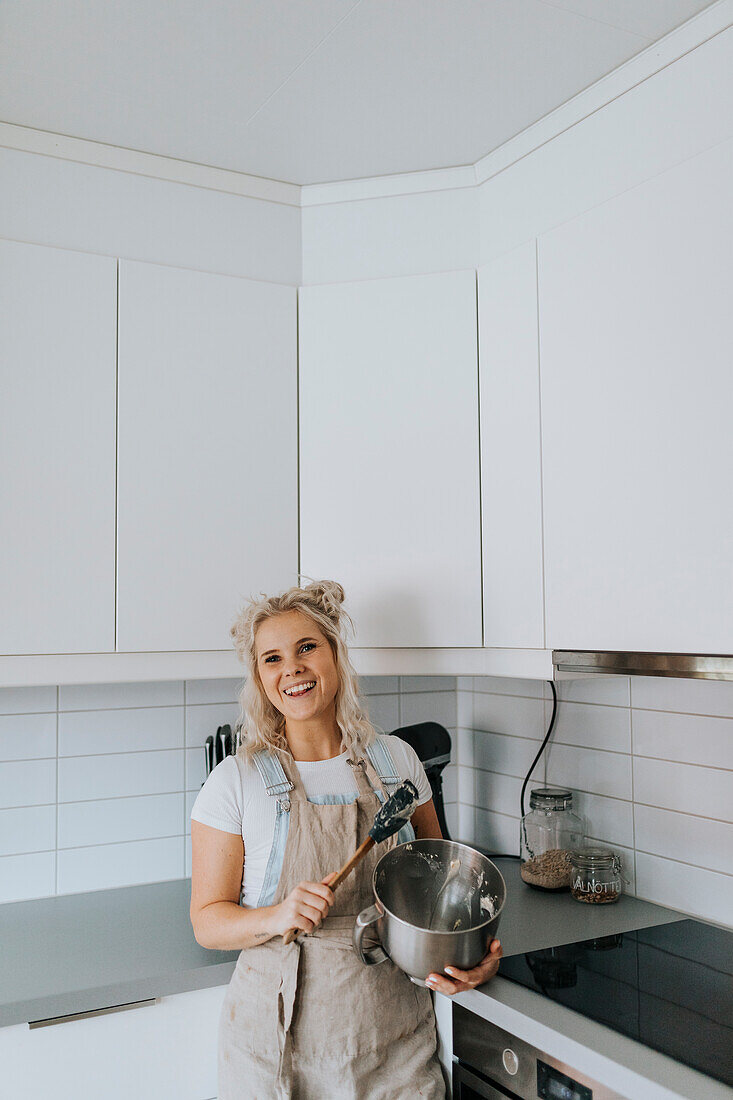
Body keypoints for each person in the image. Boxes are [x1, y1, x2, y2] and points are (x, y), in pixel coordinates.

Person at [190, 580, 502, 1099]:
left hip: (394, 1043)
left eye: (307, 647)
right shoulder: (236, 780)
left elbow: (449, 898)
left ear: (336, 654)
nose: (291, 668)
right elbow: (207, 920)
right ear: (259, 678)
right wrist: (276, 914)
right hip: (278, 1051)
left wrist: (474, 959)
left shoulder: (397, 762)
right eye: (272, 658)